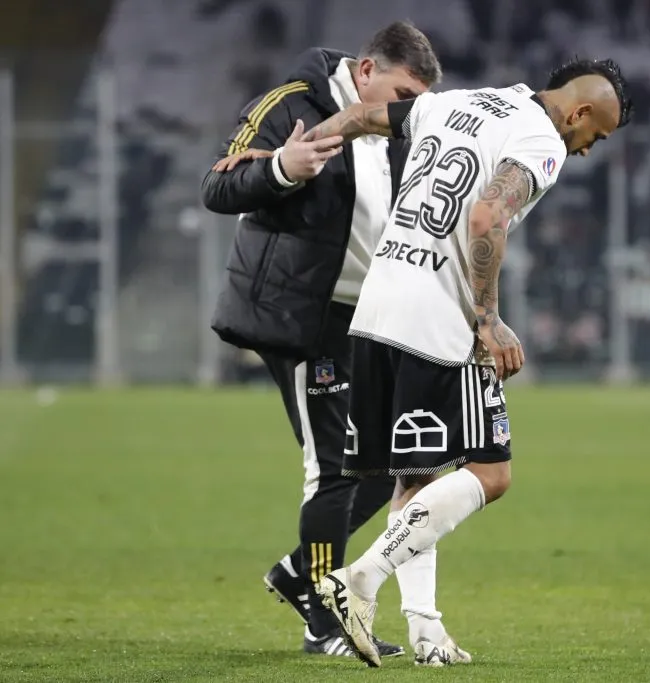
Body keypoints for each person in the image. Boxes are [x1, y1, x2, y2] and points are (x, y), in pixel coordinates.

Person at [301, 58, 634, 667]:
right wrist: (487, 317)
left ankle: (426, 631)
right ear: (581, 113)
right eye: (597, 137)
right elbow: (487, 215)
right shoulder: (540, 140)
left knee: (419, 480)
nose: (587, 150)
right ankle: (361, 579)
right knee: (491, 472)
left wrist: (286, 159)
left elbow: (360, 118)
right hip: (438, 319)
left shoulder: (455, 102)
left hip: (377, 306)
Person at [200, 22, 454, 659]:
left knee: (403, 463)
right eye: (397, 92)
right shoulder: (291, 101)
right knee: (334, 469)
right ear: (365, 72)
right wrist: (283, 168)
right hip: (300, 316)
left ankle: (297, 573)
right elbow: (218, 184)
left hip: (368, 318)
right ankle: (324, 617)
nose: (402, 109)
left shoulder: (402, 125)